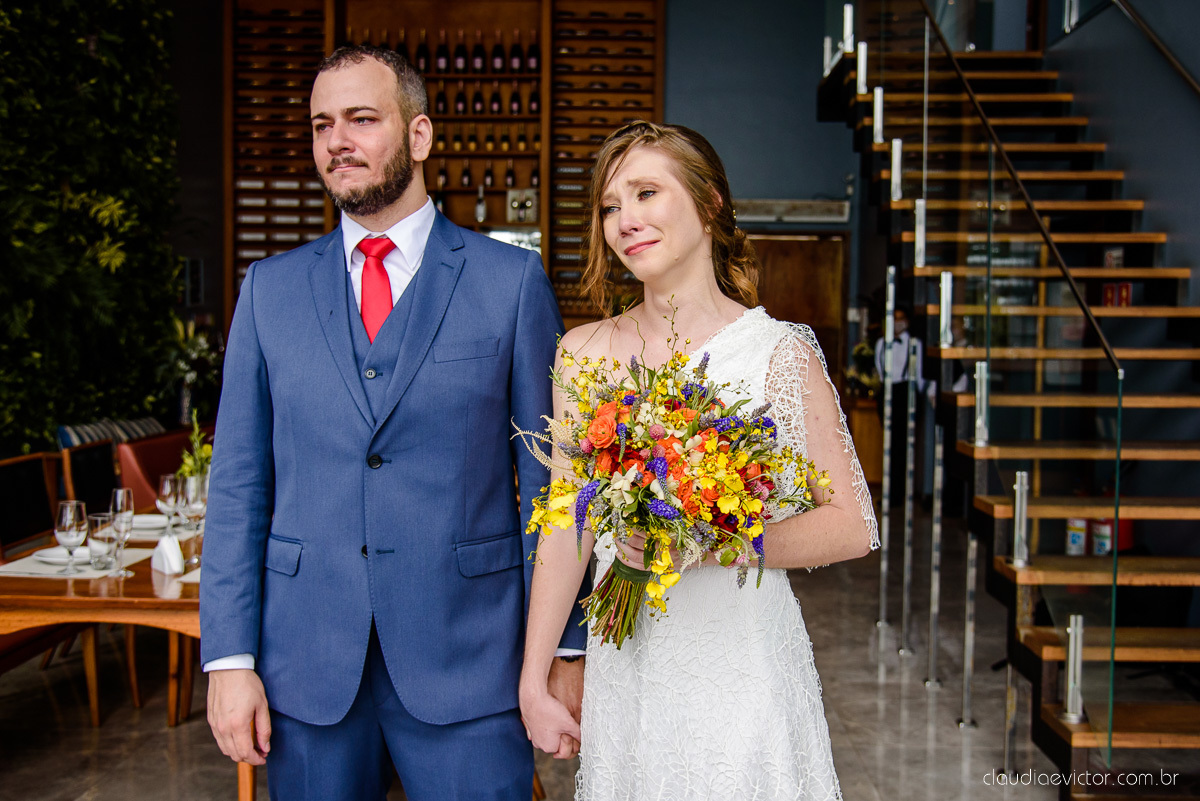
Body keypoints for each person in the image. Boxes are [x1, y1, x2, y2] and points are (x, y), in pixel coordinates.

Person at [199, 45, 585, 801]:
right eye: (320, 125)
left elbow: (556, 486)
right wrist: (229, 658)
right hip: (306, 669)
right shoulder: (269, 291)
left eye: (361, 119)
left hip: (472, 662)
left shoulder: (510, 284)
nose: (336, 141)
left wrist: (564, 647)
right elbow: (238, 484)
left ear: (419, 136)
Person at [518, 121, 880, 800]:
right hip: (630, 669)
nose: (625, 220)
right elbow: (566, 525)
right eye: (609, 206)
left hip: (742, 669)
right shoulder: (583, 352)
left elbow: (854, 523)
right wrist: (534, 674)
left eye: (646, 193)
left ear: (710, 202)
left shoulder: (778, 353)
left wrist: (719, 543)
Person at [873, 305, 935, 505]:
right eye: (895, 318)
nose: (898, 322)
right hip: (887, 392)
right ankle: (890, 493)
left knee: (903, 446)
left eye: (901, 318)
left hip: (906, 393)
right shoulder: (882, 342)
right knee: (889, 444)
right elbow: (879, 369)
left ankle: (901, 494)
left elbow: (920, 373)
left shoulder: (915, 344)